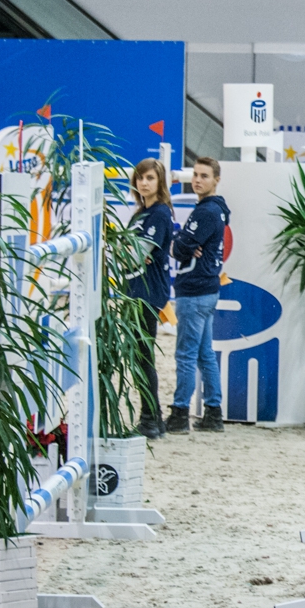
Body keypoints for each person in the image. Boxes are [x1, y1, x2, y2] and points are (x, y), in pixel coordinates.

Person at [167, 157, 231, 434]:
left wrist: (180, 244)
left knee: (186, 354)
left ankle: (180, 414)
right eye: (195, 175)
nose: (197, 180)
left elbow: (179, 249)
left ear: (216, 179)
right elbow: (184, 245)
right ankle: (213, 412)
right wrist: (183, 244)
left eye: (204, 176)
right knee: (204, 354)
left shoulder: (205, 212)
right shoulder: (217, 210)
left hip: (193, 290)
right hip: (207, 289)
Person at [127, 159, 174, 439]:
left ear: (160, 183)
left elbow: (134, 253)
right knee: (140, 357)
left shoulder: (159, 214)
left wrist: (124, 252)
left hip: (146, 294)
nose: (144, 183)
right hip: (135, 291)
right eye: (140, 178)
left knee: (143, 358)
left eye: (150, 178)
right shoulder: (139, 214)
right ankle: (155, 418)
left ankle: (149, 420)